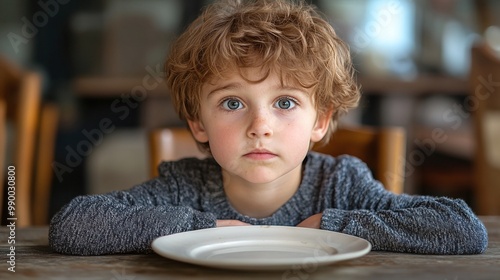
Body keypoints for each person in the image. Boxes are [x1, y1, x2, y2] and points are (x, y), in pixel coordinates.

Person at [49, 0, 488, 255]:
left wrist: (336, 224)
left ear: (320, 120)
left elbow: (462, 228)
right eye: (233, 103)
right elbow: (72, 226)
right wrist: (199, 227)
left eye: (285, 102)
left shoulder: (340, 184)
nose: (260, 126)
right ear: (198, 123)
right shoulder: (183, 186)